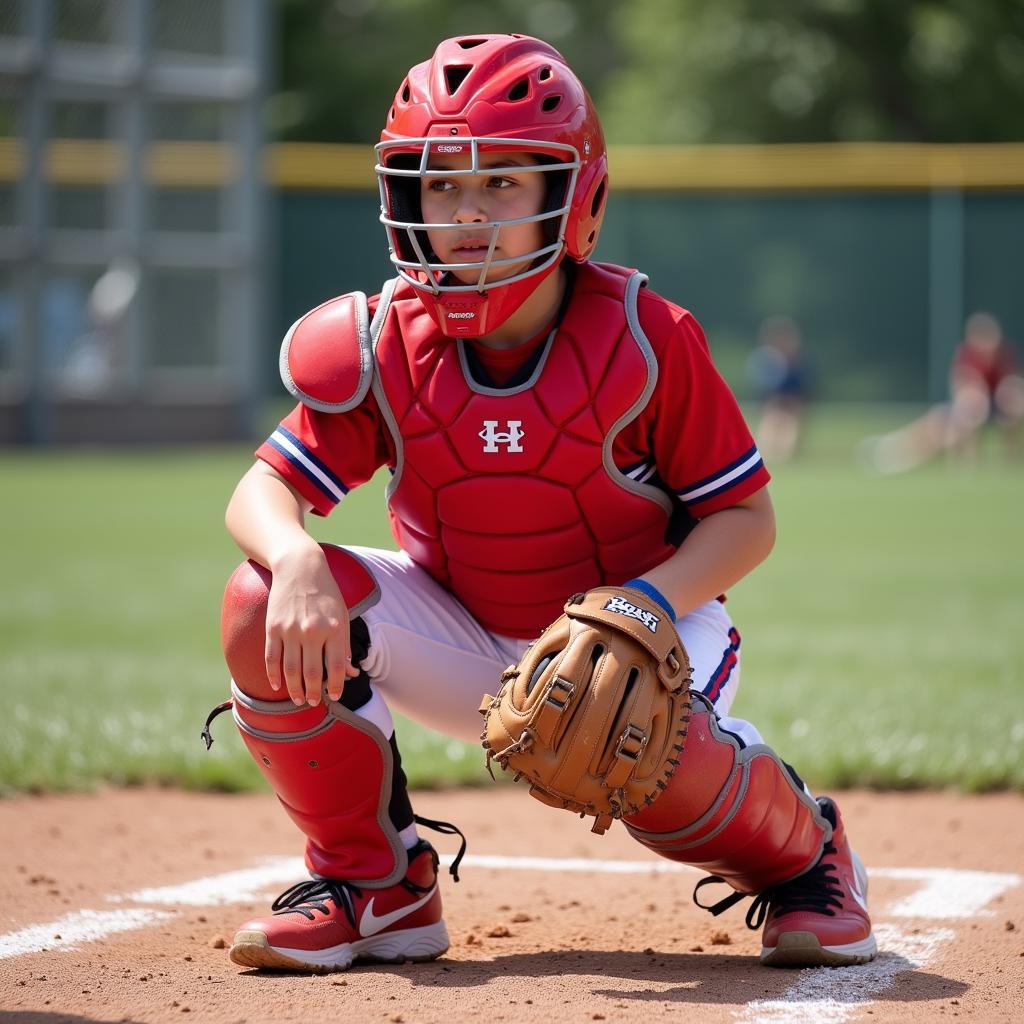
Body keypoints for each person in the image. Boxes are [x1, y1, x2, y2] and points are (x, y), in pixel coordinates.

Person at [208, 34, 876, 974]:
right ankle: (377, 886)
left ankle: (810, 856)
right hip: (463, 628)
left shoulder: (644, 340)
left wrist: (647, 603)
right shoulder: (386, 341)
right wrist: (297, 556)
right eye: (440, 185)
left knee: (637, 751)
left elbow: (746, 520)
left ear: (575, 198)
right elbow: (261, 491)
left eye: (502, 185)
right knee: (258, 598)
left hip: (644, 629)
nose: (466, 213)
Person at [862, 312, 1024, 474]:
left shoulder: (1003, 354)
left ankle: (890, 453)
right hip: (966, 409)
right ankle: (891, 452)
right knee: (940, 426)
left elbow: (1010, 382)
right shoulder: (967, 355)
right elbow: (964, 386)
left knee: (998, 409)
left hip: (993, 408)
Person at [747, 315, 811, 463]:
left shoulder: (801, 363)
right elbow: (763, 387)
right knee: (770, 426)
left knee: (788, 434)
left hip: (793, 407)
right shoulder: (768, 360)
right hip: (773, 406)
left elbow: (804, 389)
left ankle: (784, 456)